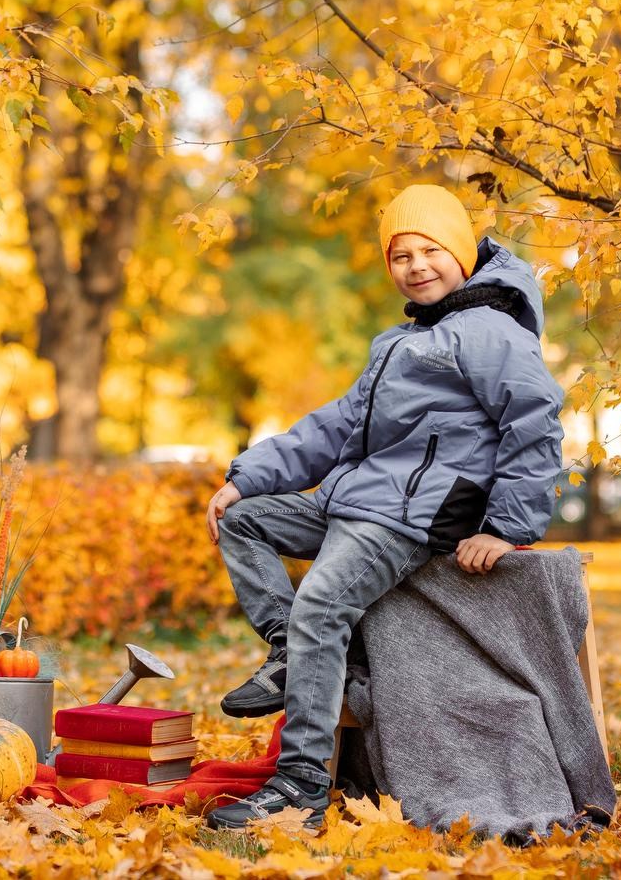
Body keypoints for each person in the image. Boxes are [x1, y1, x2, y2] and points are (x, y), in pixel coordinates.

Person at [202, 184, 565, 831]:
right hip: (356, 502)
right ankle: (293, 654)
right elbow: (334, 425)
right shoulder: (402, 340)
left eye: (431, 249)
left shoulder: (487, 331)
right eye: (402, 254)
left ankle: (301, 784)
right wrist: (246, 477)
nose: (417, 264)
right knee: (242, 519)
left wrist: (507, 526)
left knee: (320, 601)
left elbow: (533, 421)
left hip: (408, 517)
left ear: (461, 253)